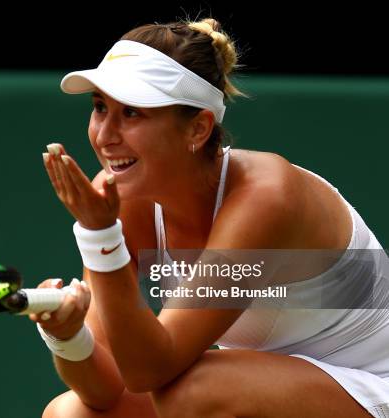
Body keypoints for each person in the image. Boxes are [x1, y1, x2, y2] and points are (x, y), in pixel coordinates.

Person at [29, 18, 389, 418]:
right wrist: (67, 336)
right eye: (100, 108)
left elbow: (151, 369)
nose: (106, 134)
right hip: (278, 388)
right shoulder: (121, 196)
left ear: (198, 128)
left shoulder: (269, 195)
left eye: (131, 113)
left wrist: (101, 236)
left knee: (192, 392)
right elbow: (106, 390)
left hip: (373, 385)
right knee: (69, 413)